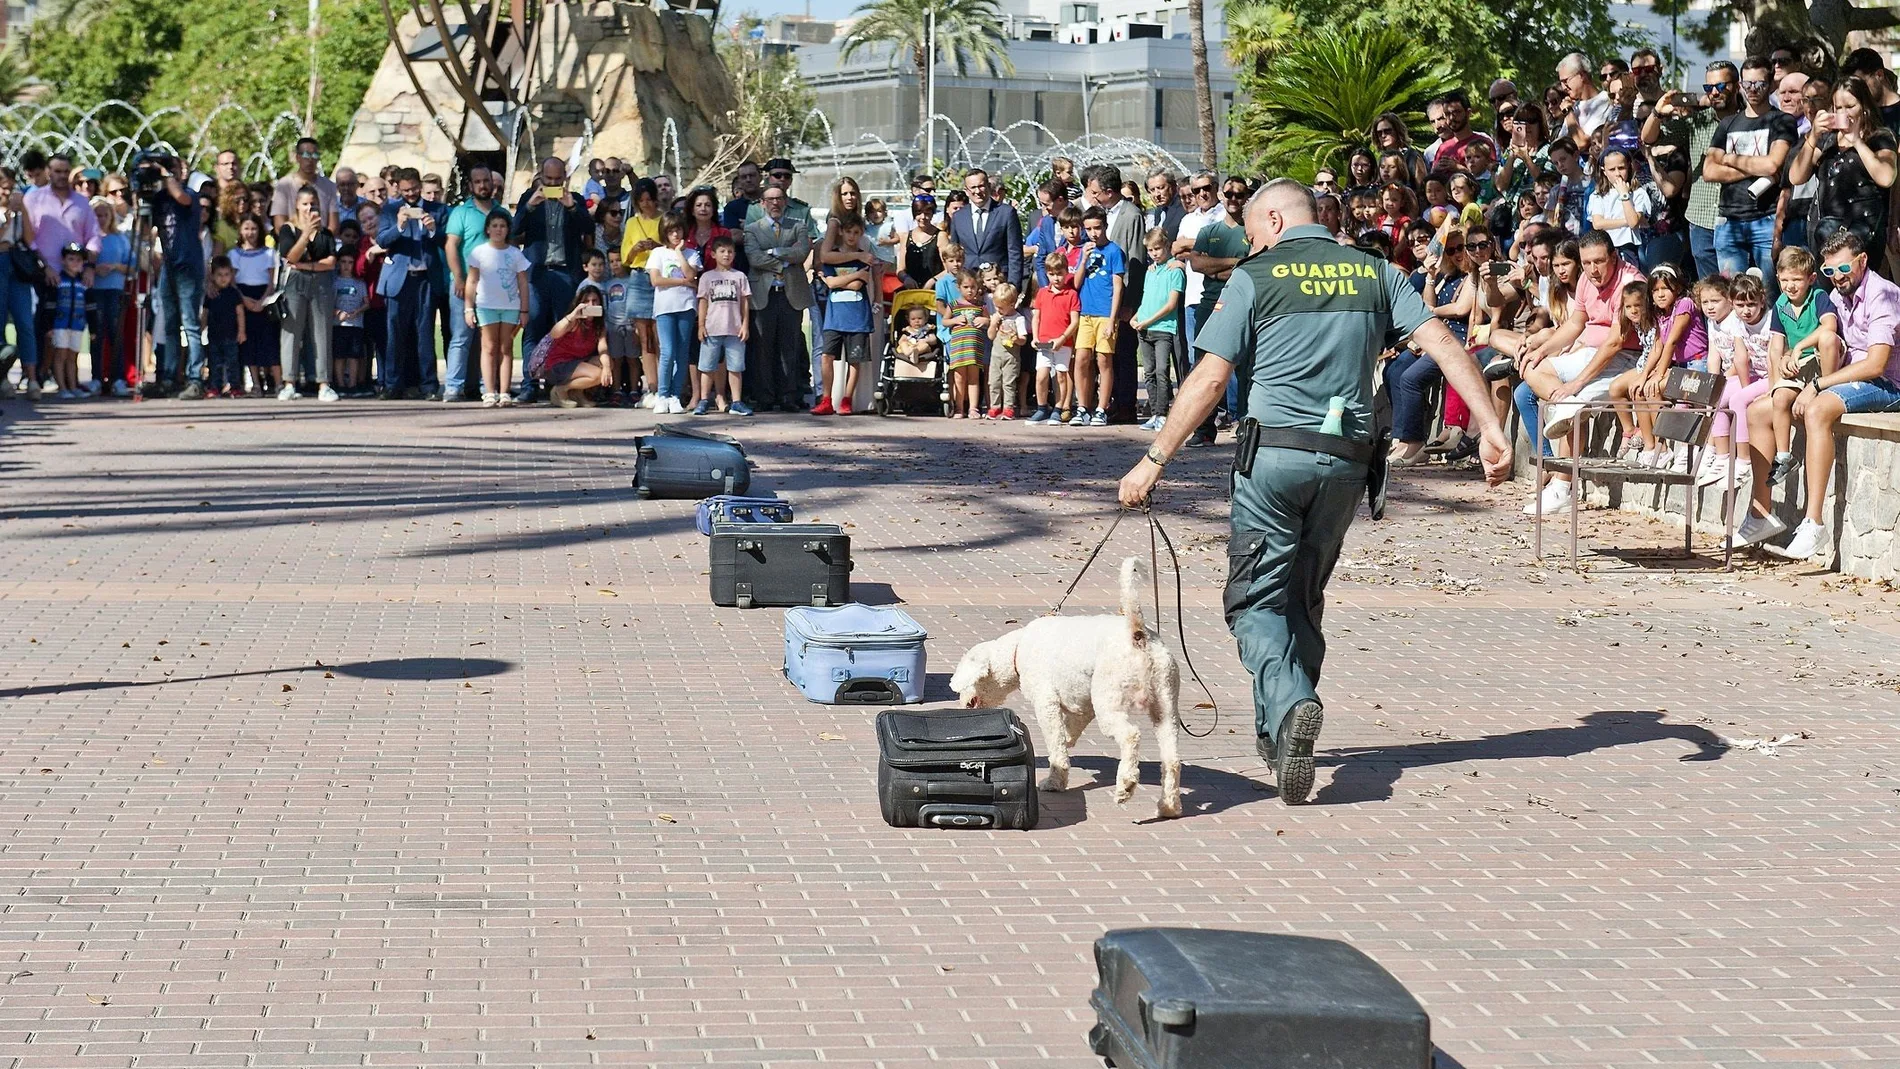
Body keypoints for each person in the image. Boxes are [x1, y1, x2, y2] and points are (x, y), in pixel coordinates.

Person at [1117, 179, 1510, 805]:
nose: (1250, 242)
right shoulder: (1376, 272)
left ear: (1273, 219)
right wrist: (1489, 426)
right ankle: (1280, 736)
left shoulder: (1256, 276)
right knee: (1302, 596)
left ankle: (1293, 701)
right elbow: (1441, 341)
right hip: (1348, 463)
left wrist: (1152, 459)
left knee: (1255, 602)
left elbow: (1211, 379)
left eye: (1251, 231)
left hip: (1273, 458)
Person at [1739, 231, 1900, 557]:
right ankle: (1760, 513)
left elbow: (1876, 364)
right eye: (1829, 272)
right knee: (1758, 410)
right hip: (1845, 375)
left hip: (1887, 384)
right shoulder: (1838, 296)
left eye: (1843, 269)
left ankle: (1814, 523)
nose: (1837, 277)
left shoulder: (1882, 294)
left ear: (1863, 261)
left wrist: (1817, 385)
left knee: (1816, 410)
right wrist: (1790, 362)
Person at [1517, 230, 1646, 512]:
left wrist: (1575, 384)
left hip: (1626, 357)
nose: (1592, 269)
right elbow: (1576, 324)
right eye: (1586, 263)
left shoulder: (1630, 283)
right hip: (1587, 349)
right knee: (1532, 368)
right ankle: (1565, 408)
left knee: (1574, 406)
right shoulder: (1587, 279)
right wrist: (1543, 350)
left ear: (1614, 257)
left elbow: (1615, 342)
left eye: (1598, 262)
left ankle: (1563, 487)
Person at [1706, 56, 1799, 288]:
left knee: (1770, 294)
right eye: (1748, 84)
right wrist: (1755, 168)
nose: (1753, 89)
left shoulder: (1782, 121)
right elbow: (1709, 171)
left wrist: (1727, 158)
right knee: (1732, 294)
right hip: (1729, 221)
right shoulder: (1727, 123)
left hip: (1766, 219)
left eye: (1760, 84)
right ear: (1740, 86)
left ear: (1771, 85)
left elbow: (1772, 166)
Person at [1790, 75, 1898, 272]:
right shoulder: (1827, 140)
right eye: (1838, 107)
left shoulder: (1880, 137)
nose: (1844, 112)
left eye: (1850, 106)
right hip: (1827, 235)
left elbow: (1886, 177)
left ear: (1864, 107)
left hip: (1864, 235)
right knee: (1830, 296)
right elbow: (1796, 177)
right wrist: (1813, 137)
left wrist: (1857, 140)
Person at [1645, 61, 1741, 279]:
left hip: (1738, 218)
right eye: (1708, 88)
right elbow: (1649, 138)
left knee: (1740, 289)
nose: (1714, 92)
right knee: (1709, 294)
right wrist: (1657, 113)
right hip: (1701, 220)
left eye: (1720, 86)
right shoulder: (1696, 122)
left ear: (1736, 86)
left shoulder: (1750, 119)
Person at [511, 157, 592, 401]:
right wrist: (530, 206)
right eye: (549, 180)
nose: (553, 183)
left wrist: (571, 207)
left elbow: (588, 227)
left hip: (566, 273)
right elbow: (514, 229)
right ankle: (529, 385)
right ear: (541, 177)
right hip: (537, 274)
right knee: (533, 330)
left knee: (564, 330)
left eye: (558, 180)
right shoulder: (529, 197)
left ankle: (558, 385)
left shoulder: (575, 199)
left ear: (565, 178)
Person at [375, 168, 448, 399]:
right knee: (394, 333)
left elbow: (446, 239)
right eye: (405, 190)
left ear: (419, 185)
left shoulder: (437, 209)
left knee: (425, 334)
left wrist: (432, 229)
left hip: (425, 278)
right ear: (398, 188)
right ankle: (392, 384)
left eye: (414, 189)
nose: (410, 194)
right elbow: (382, 239)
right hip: (400, 279)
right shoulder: (389, 209)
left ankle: (429, 386)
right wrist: (399, 226)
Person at [742, 185, 814, 412]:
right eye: (770, 199)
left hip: (790, 294)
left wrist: (773, 252)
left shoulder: (798, 226)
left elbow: (801, 253)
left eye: (779, 199)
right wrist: (784, 257)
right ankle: (764, 396)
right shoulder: (752, 229)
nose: (775, 203)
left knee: (789, 347)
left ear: (785, 201)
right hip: (763, 295)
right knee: (762, 347)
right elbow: (754, 258)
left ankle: (788, 395)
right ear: (762, 203)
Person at [146, 155, 206, 398]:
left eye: (175, 170)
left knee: (190, 324)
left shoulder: (191, 194)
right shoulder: (158, 199)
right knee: (170, 324)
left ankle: (195, 378)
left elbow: (180, 197)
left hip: (188, 266)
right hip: (168, 267)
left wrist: (166, 175)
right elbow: (143, 230)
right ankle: (168, 376)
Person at [274, 187, 340, 401]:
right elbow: (289, 256)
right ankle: (289, 383)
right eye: (305, 204)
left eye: (313, 204)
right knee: (291, 332)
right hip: (295, 283)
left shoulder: (326, 233)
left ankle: (324, 383)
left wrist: (305, 265)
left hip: (321, 284)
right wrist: (304, 235)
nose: (309, 208)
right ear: (297, 205)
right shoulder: (288, 229)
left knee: (322, 332)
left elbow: (330, 262)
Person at [443, 164, 501, 402]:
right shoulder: (461, 212)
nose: (483, 185)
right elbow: (451, 245)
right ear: (470, 185)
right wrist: (458, 276)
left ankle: (482, 385)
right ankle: (453, 386)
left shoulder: (500, 211)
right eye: (478, 182)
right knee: (461, 335)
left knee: (488, 338)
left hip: (493, 285)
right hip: (465, 283)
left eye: (486, 181)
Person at [463, 209, 531, 408]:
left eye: (502, 226)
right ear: (487, 229)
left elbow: (523, 283)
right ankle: (489, 391)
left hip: (510, 306)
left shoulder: (514, 253)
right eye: (495, 226)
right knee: (489, 347)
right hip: (486, 305)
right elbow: (472, 281)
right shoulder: (479, 252)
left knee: (506, 347)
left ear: (508, 229)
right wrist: (469, 308)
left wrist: (524, 310)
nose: (499, 230)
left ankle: (504, 391)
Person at [812, 210, 875, 416]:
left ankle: (847, 399)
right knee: (826, 356)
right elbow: (831, 283)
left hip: (857, 318)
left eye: (856, 232)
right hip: (834, 318)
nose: (851, 236)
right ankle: (826, 399)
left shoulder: (865, 258)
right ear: (841, 232)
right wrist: (855, 275)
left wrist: (843, 280)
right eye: (848, 231)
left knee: (854, 360)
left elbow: (857, 286)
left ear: (861, 233)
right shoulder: (834, 258)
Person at [1070, 206, 1126, 428]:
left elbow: (1118, 285)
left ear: (1105, 226)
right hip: (1085, 313)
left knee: (1104, 359)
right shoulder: (1086, 250)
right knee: (1082, 358)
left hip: (1105, 314)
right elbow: (1075, 283)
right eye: (1089, 229)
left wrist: (1113, 319)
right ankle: (1082, 406)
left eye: (1097, 228)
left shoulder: (1114, 252)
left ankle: (1102, 408)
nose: (1093, 233)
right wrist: (1083, 260)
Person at [647, 212, 701, 414]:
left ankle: (675, 396)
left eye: (678, 230)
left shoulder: (691, 253)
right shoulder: (658, 253)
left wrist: (679, 254)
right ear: (665, 233)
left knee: (682, 353)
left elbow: (691, 274)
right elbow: (656, 280)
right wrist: (684, 283)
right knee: (667, 352)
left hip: (686, 307)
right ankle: (662, 394)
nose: (675, 234)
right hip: (664, 308)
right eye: (671, 231)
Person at [1131, 228, 1184, 431]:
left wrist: (1148, 320)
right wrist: (1137, 317)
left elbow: (1171, 304)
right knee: (1149, 373)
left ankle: (1163, 413)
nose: (1154, 253)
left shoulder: (1174, 271)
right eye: (1150, 250)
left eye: (1158, 249)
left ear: (1167, 247)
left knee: (1162, 371)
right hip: (1145, 329)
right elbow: (1146, 300)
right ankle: (1154, 413)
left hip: (1163, 328)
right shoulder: (1150, 271)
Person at [696, 234, 752, 416]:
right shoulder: (707, 277)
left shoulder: (740, 276)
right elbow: (703, 302)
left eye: (730, 251)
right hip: (712, 328)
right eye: (722, 251)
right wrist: (701, 325)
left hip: (734, 329)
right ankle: (704, 400)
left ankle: (736, 401)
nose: (726, 255)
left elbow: (744, 302)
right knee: (707, 365)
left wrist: (745, 325)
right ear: (713, 254)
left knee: (736, 366)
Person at [621, 178, 665, 405]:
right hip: (638, 277)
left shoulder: (663, 220)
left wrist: (655, 246)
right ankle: (652, 387)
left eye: (649, 200)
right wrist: (636, 248)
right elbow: (624, 259)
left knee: (660, 336)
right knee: (644, 337)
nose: (646, 204)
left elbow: (671, 249)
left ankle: (664, 388)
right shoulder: (631, 224)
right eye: (642, 201)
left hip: (658, 277)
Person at [944, 168, 1023, 287]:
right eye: (973, 187)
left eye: (981, 186)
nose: (977, 191)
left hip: (998, 282)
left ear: (988, 186)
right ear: (966, 191)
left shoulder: (1006, 213)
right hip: (969, 283)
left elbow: (1015, 252)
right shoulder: (958, 217)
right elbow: (954, 253)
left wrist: (1013, 285)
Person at [1028, 251, 1080, 424]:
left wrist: (1063, 338)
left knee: (1061, 375)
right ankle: (1041, 407)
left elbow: (1074, 321)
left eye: (1059, 273)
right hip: (1043, 341)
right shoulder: (1042, 293)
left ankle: (1058, 408)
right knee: (1041, 375)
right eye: (1052, 274)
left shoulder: (1071, 294)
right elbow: (1037, 316)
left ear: (1066, 272)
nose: (1056, 278)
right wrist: (1035, 337)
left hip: (1063, 343)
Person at [230, 216, 279, 396]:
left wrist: (262, 301)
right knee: (248, 343)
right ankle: (256, 384)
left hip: (264, 298)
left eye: (254, 229)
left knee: (269, 341)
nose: (250, 233)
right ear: (240, 231)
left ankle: (277, 382)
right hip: (243, 297)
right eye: (246, 228)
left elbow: (272, 281)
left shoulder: (268, 253)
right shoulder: (234, 254)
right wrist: (244, 300)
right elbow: (233, 281)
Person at [543, 286, 612, 408]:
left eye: (595, 301)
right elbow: (554, 333)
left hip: (578, 361)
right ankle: (560, 390)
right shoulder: (573, 321)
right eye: (586, 301)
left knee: (607, 363)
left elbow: (603, 348)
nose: (590, 304)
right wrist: (573, 315)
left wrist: (607, 367)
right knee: (597, 375)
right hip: (558, 364)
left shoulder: (599, 325)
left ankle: (577, 393)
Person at [943, 270, 988, 419]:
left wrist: (984, 321)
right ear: (959, 287)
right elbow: (945, 321)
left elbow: (989, 321)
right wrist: (955, 321)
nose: (970, 290)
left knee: (974, 378)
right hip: (958, 347)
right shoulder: (954, 305)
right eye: (966, 287)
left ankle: (974, 408)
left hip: (974, 347)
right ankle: (959, 408)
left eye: (973, 287)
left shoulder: (981, 306)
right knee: (959, 378)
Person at [45, 243, 87, 398]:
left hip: (77, 325)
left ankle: (73, 385)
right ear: (63, 260)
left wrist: (93, 329)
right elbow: (49, 306)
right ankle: (62, 387)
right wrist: (48, 326)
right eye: (71, 259)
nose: (75, 263)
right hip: (60, 325)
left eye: (78, 260)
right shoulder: (57, 280)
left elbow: (90, 307)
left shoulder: (83, 283)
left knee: (73, 357)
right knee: (60, 355)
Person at [270, 137, 338, 230]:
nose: (310, 159)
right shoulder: (284, 185)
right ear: (298, 157)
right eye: (306, 155)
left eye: (314, 155)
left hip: (321, 239)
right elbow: (279, 224)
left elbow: (333, 226)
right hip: (293, 240)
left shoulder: (329, 186)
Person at [203, 255, 245, 397]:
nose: (223, 278)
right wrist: (202, 328)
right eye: (219, 275)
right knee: (214, 363)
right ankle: (214, 386)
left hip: (231, 335)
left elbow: (240, 313)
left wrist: (242, 331)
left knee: (232, 363)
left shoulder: (234, 293)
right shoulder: (210, 294)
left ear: (231, 275)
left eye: (226, 275)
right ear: (213, 276)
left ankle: (235, 387)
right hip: (214, 335)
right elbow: (205, 312)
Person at [986, 281, 1027, 419]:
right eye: (996, 307)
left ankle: (1008, 407)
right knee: (994, 381)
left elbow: (1023, 340)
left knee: (1008, 383)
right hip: (996, 355)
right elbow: (991, 336)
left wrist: (1016, 338)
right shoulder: (996, 316)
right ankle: (995, 406)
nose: (998, 310)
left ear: (1011, 305)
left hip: (1011, 357)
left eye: (1001, 308)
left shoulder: (1018, 319)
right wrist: (993, 323)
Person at [333, 247, 369, 396]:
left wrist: (358, 311)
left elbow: (367, 302)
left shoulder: (359, 283)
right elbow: (329, 303)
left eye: (350, 262)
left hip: (356, 324)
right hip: (339, 324)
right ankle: (341, 384)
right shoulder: (334, 282)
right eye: (343, 262)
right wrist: (338, 313)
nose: (346, 265)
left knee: (354, 356)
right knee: (339, 356)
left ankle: (353, 385)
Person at [720, 160, 763, 229]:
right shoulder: (731, 208)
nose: (748, 180)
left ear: (760, 177)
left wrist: (747, 225)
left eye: (752, 175)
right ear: (739, 181)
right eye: (744, 177)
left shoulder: (773, 201)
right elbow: (735, 236)